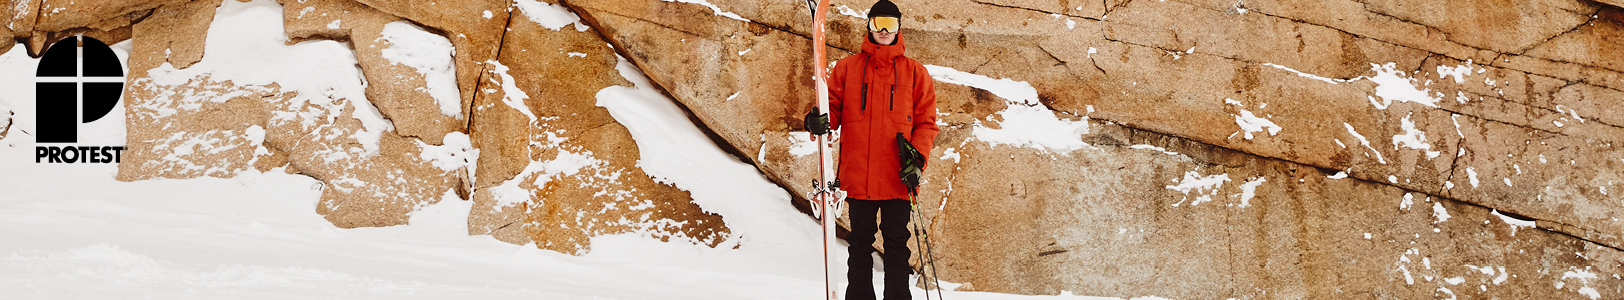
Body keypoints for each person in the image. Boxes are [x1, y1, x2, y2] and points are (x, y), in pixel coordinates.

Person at [804, 0, 939, 299]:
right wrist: (818, 120)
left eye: (890, 25)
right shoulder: (848, 68)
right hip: (858, 175)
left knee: (896, 244)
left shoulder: (915, 73)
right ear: (868, 25)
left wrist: (917, 161)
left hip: (897, 177)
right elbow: (833, 110)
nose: (883, 31)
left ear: (899, 28)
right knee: (860, 243)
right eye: (878, 23)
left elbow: (926, 123)